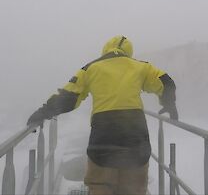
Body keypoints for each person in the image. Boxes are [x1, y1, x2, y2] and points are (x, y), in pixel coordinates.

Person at [27, 35, 178, 195]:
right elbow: (165, 82)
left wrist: (43, 112)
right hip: (135, 135)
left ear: (105, 49)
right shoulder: (141, 67)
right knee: (134, 188)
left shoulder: (90, 68)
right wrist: (169, 104)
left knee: (100, 186)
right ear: (129, 52)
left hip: (104, 135)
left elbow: (69, 97)